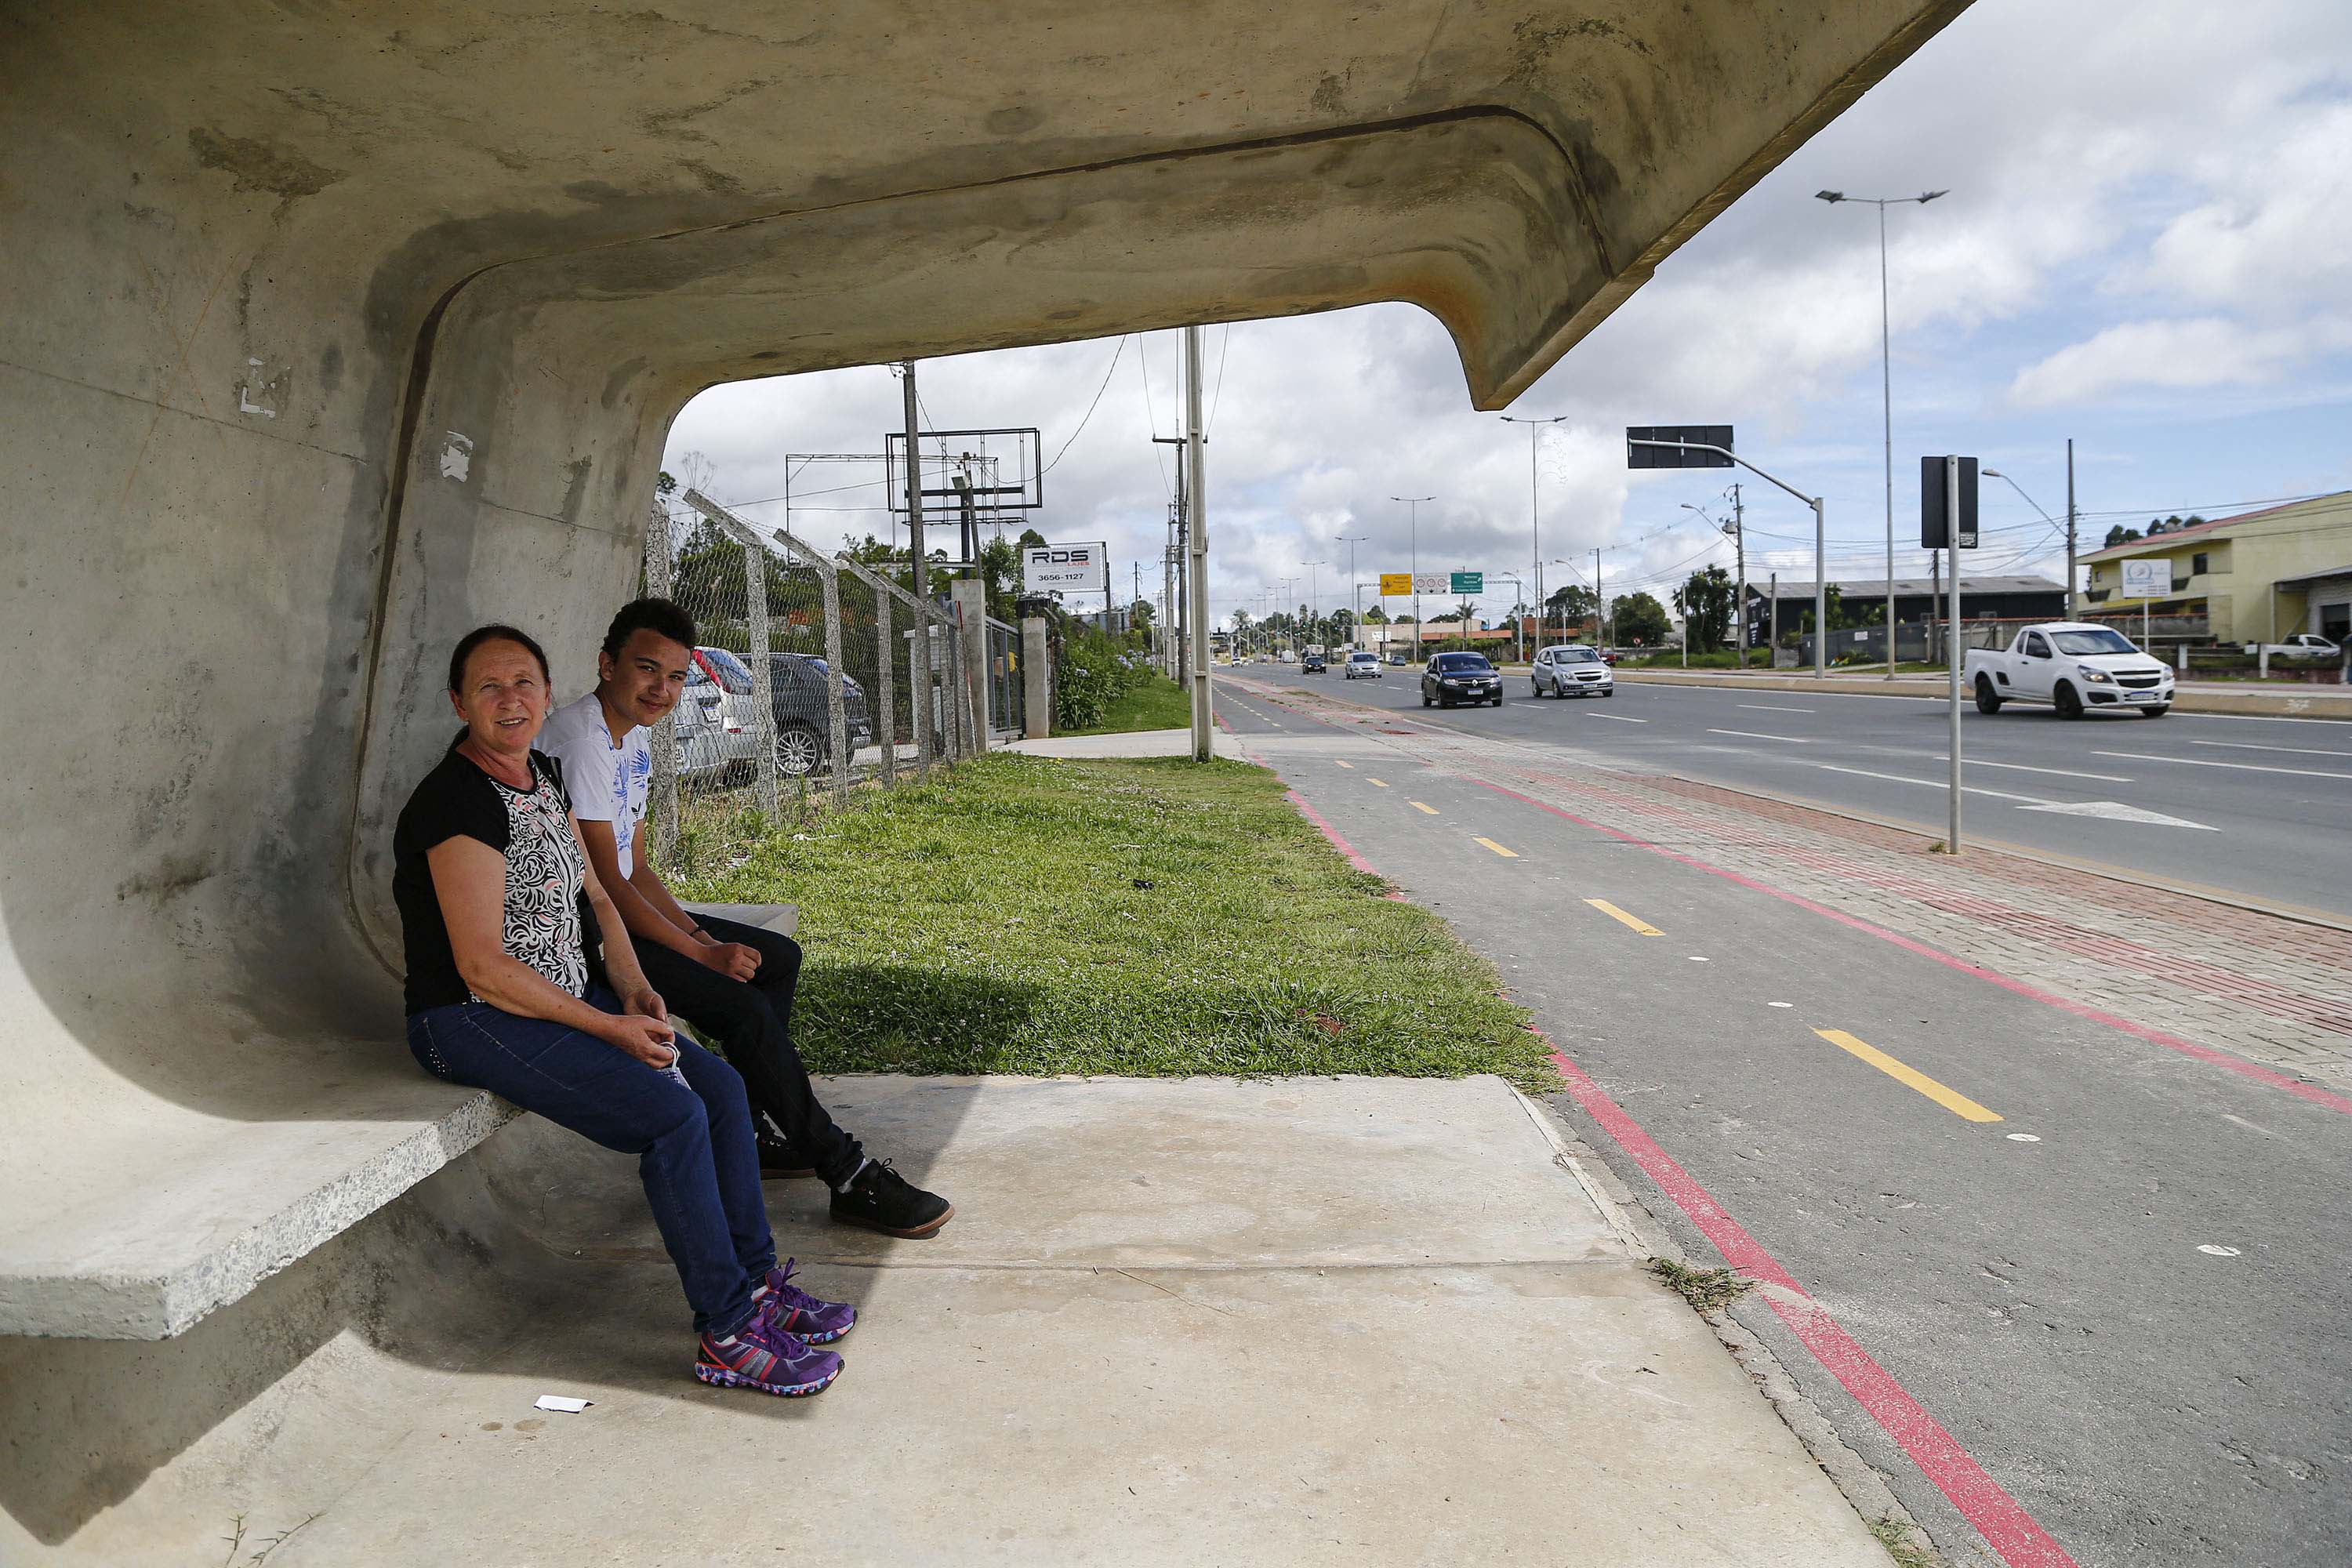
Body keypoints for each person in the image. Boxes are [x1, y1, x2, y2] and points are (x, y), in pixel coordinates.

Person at [394, 623, 857, 1398]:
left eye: (525, 683)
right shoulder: (455, 800)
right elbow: (481, 966)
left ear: (546, 692)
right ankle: (727, 1329)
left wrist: (636, 985)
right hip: (469, 1018)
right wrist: (608, 1024)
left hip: (565, 994)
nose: (512, 699)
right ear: (458, 702)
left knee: (720, 1088)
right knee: (670, 1116)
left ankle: (759, 1282)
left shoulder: (540, 772)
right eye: (489, 687)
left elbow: (600, 894)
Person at [539, 597, 953, 1239]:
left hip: (620, 905)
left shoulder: (635, 737)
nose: (663, 689)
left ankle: (756, 1129)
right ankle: (845, 1172)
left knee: (776, 959)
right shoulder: (579, 739)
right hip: (584, 931)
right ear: (606, 663)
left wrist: (704, 937)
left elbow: (639, 867)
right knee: (746, 1007)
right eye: (647, 670)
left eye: (677, 676)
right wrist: (702, 956)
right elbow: (607, 889)